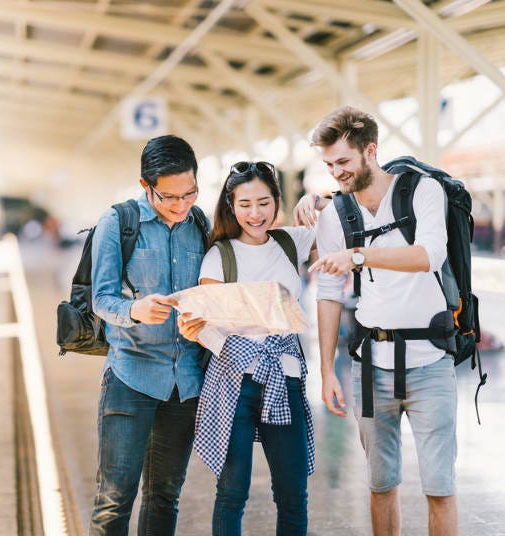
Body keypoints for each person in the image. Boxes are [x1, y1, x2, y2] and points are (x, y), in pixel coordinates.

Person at [303, 106, 458, 536]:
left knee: (440, 487)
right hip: (371, 369)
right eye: (330, 164)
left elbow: (429, 256)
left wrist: (359, 255)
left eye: (344, 162)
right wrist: (327, 371)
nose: (336, 173)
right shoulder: (335, 214)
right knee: (380, 483)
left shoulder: (423, 191)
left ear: (370, 151)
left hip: (431, 365)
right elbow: (330, 294)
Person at [180, 160, 315, 535]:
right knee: (232, 493)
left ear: (276, 201)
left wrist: (315, 198)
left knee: (293, 493)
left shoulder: (292, 241)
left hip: (286, 379)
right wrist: (233, 346)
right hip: (233, 383)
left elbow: (342, 219)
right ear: (230, 205)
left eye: (263, 202)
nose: (255, 214)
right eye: (244, 204)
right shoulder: (219, 256)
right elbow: (202, 325)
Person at [89, 134, 208, 535]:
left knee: (164, 496)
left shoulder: (201, 224)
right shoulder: (117, 223)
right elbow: (101, 299)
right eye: (169, 197)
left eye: (189, 194)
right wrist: (134, 310)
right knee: (114, 499)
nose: (180, 206)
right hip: (130, 377)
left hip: (185, 384)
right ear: (146, 186)